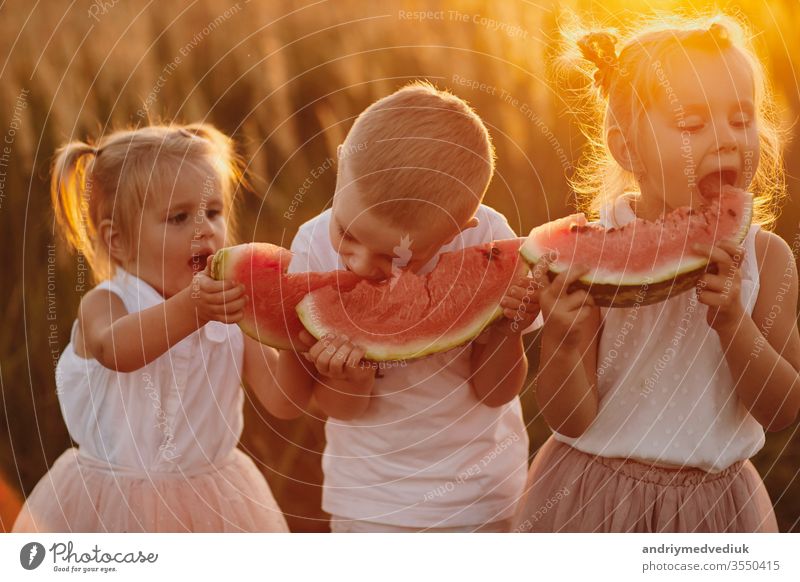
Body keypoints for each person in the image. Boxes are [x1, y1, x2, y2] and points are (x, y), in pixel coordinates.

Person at [514, 15, 800, 533]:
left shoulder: (769, 258)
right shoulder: (591, 254)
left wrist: (735, 323)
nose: (725, 140)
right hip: (591, 495)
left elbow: (783, 410)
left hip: (714, 508)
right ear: (626, 149)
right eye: (691, 125)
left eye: (741, 119)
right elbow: (568, 418)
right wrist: (561, 337)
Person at [268, 82, 540, 532]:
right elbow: (341, 409)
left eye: (396, 257)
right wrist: (348, 380)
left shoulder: (490, 239)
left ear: (457, 230)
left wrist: (507, 329)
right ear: (341, 167)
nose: (358, 263)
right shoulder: (312, 244)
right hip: (369, 502)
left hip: (481, 499)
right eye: (349, 234)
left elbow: (496, 392)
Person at [13, 124, 289, 532]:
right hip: (113, 505)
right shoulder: (107, 304)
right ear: (118, 241)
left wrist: (305, 340)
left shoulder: (233, 312)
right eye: (178, 217)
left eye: (213, 211)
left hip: (217, 502)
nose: (205, 229)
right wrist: (192, 308)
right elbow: (117, 351)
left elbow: (281, 400)